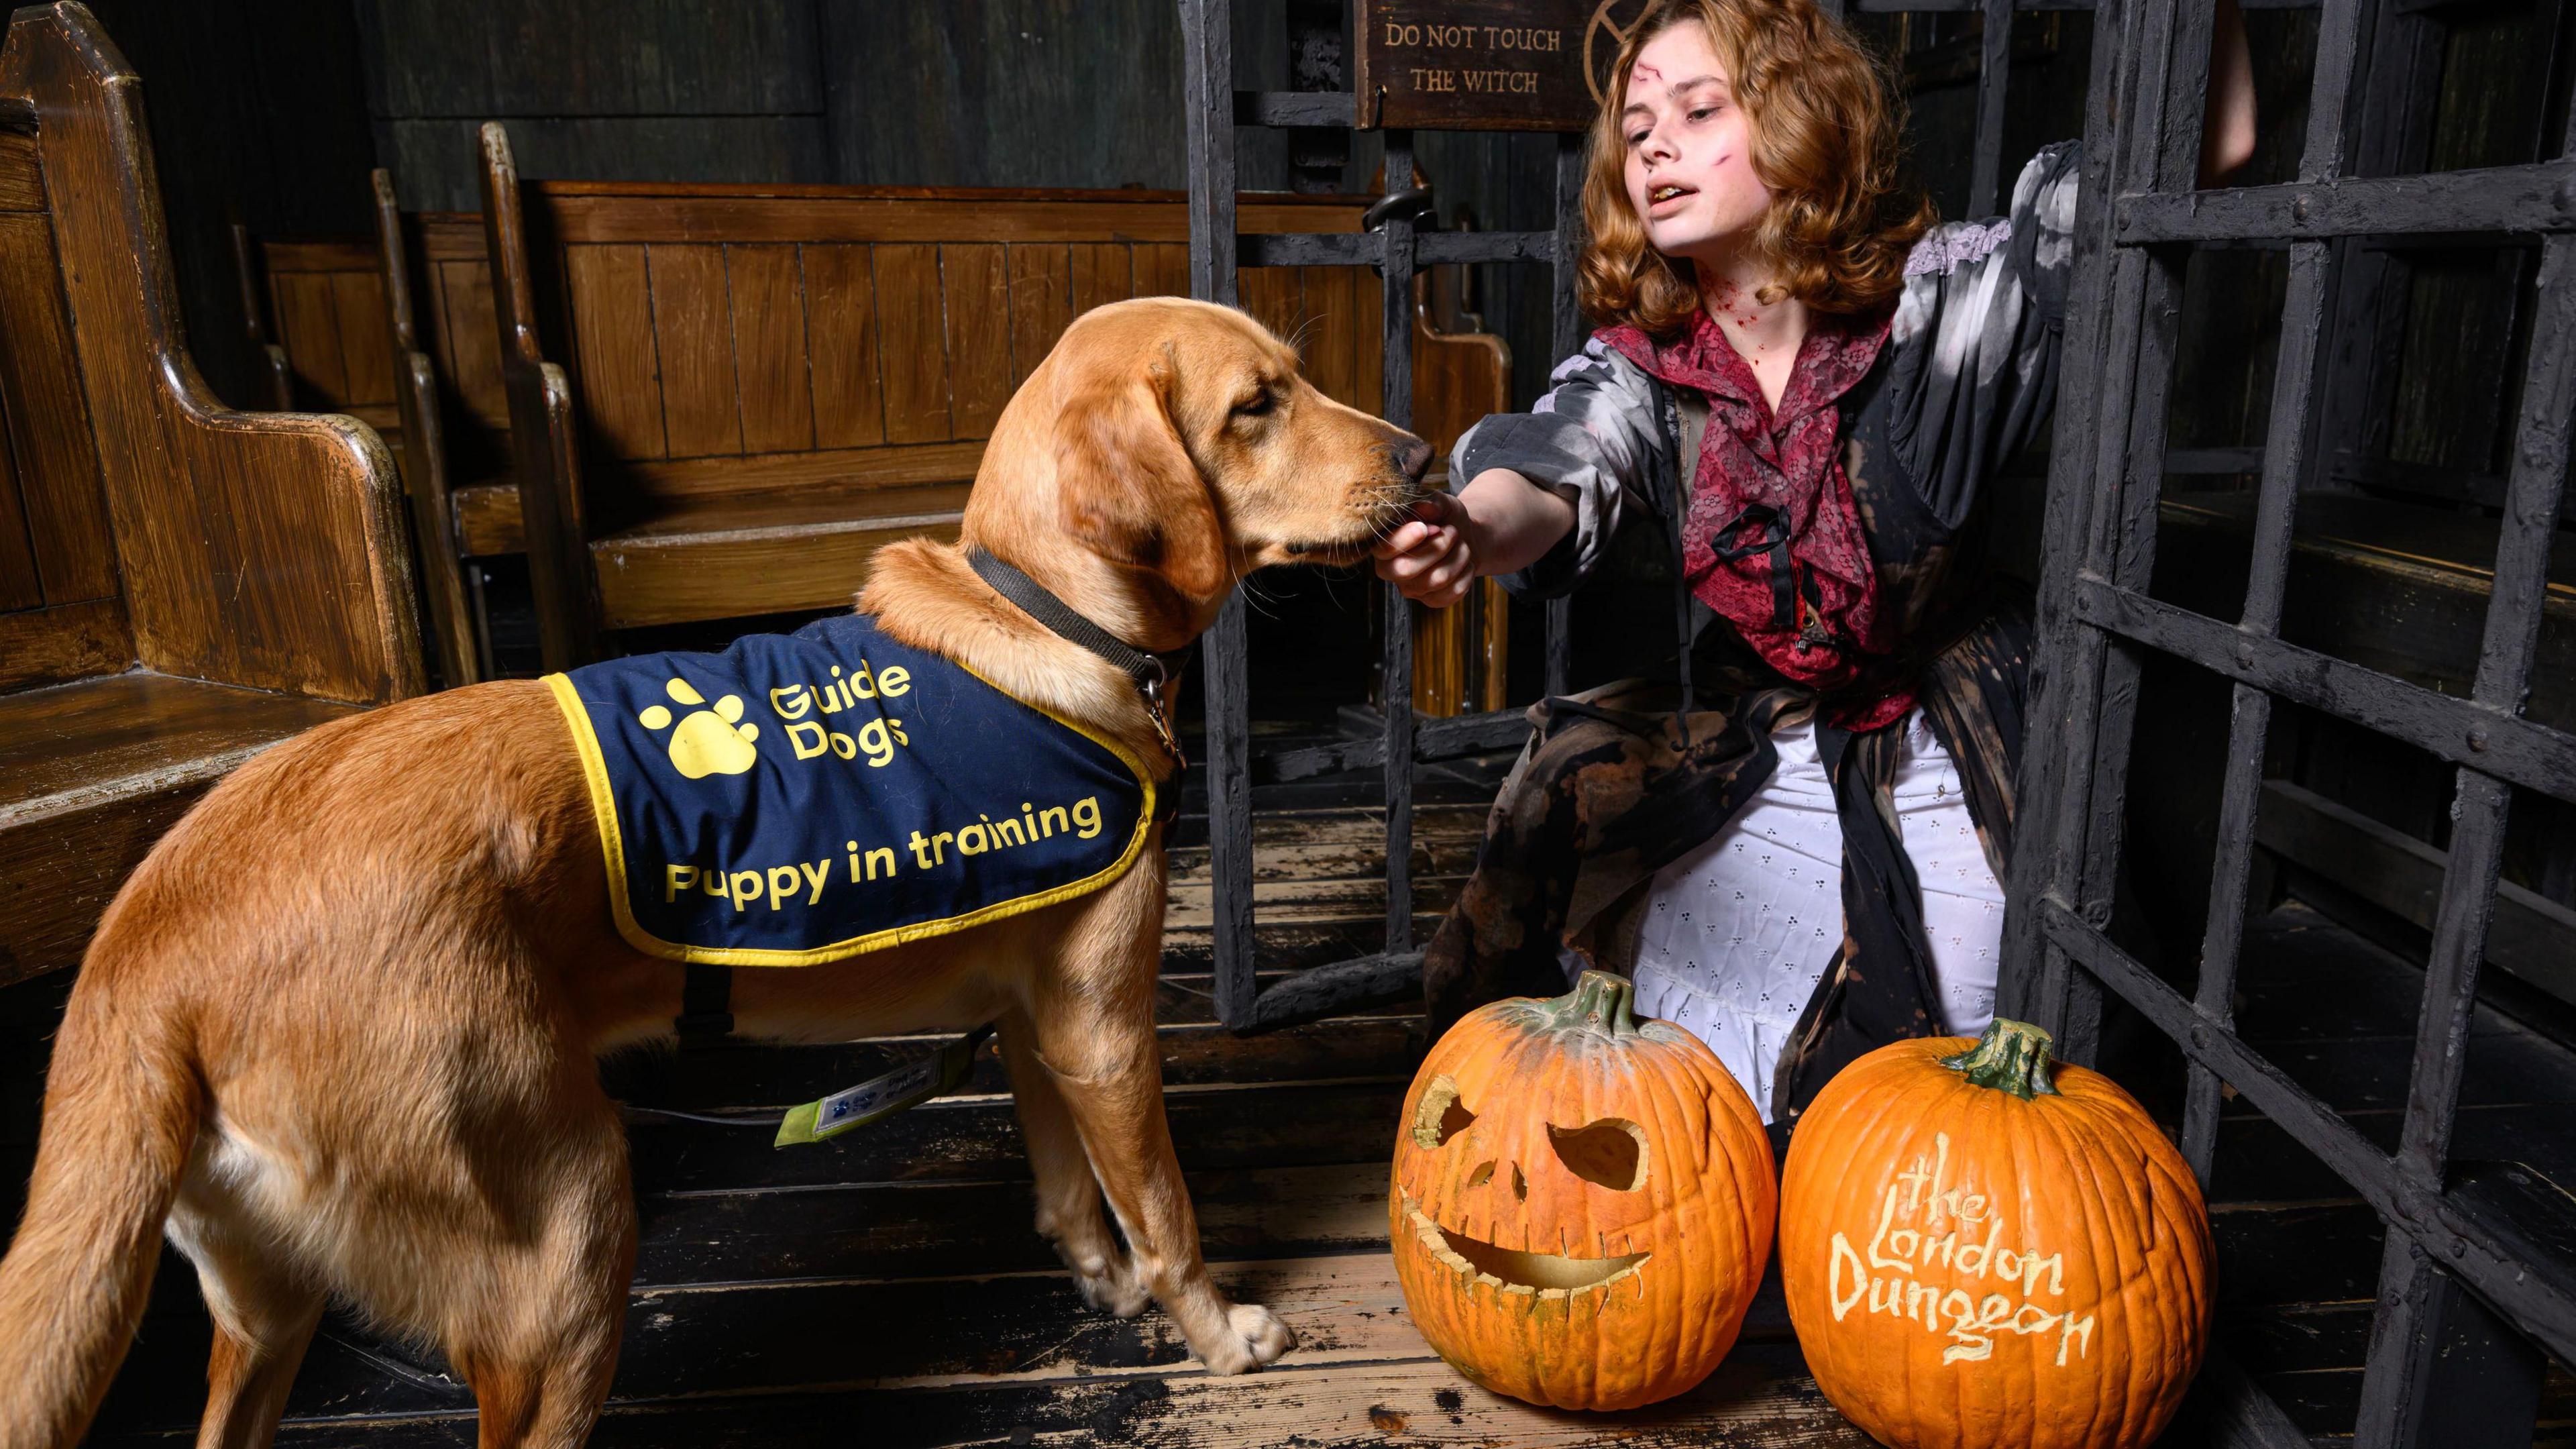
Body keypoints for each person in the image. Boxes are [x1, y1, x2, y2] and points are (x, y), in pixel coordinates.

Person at [1375, 0, 2255, 1130]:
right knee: (1682, 1054)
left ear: (1800, 124)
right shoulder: (1647, 373)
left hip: (1955, 734)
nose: (1654, 145)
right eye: (1636, 126)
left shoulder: (1941, 306)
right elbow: (1547, 473)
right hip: (1764, 729)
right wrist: (1467, 527)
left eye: (1699, 110)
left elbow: (2206, 143)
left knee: (1962, 1086)